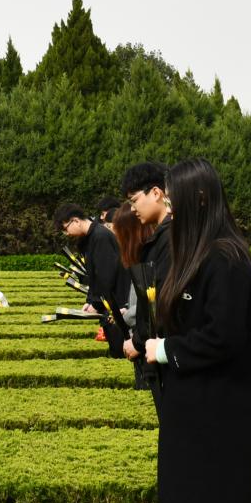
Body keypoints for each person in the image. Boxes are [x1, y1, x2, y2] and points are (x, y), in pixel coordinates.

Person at [143, 158, 251, 503]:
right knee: (188, 502)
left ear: (198, 199)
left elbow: (223, 336)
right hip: (195, 406)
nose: (171, 212)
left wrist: (165, 350)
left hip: (221, 410)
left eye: (174, 202)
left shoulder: (227, 259)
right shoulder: (200, 253)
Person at [119, 162, 172, 394]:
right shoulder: (161, 238)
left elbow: (160, 300)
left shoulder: (170, 239)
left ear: (156, 193)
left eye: (134, 200)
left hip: (163, 352)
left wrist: (138, 342)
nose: (132, 209)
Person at [53, 203, 131, 353]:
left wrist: (96, 303)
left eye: (65, 228)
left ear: (76, 221)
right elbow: (93, 276)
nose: (66, 234)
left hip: (118, 305)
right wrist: (90, 300)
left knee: (121, 350)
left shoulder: (100, 237)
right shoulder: (90, 238)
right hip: (109, 304)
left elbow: (106, 275)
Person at [112, 207, 154, 389]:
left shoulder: (150, 257)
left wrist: (127, 316)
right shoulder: (140, 257)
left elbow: (152, 302)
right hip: (142, 339)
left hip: (147, 344)